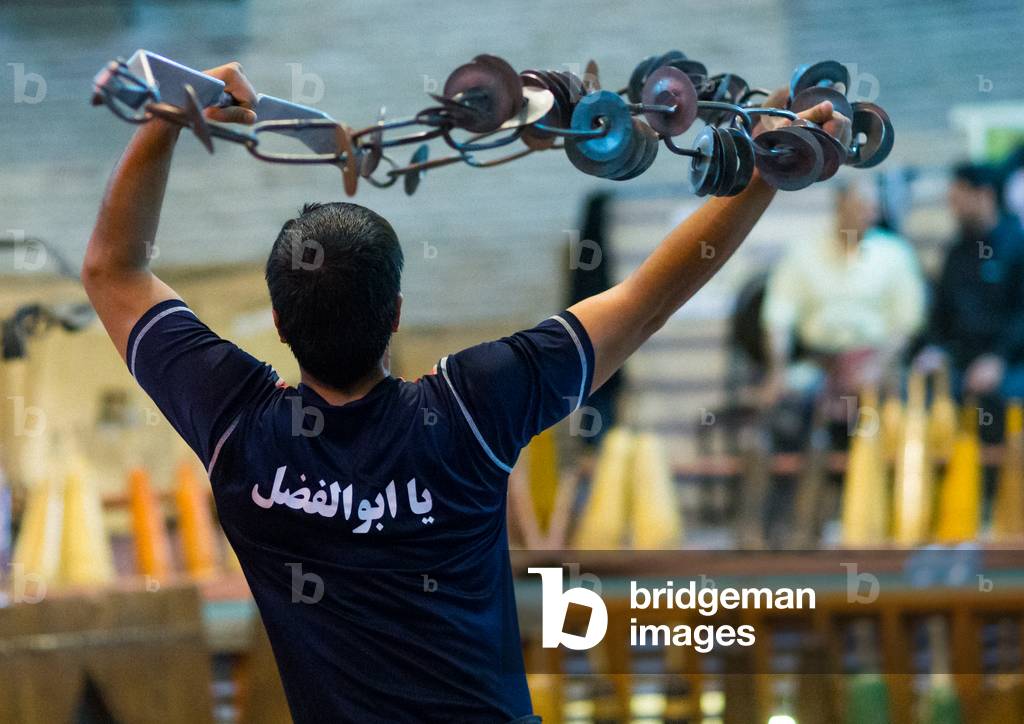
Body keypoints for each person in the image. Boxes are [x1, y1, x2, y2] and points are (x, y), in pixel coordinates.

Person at [82, 62, 850, 723]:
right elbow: (648, 300)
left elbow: (112, 270)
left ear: (279, 323)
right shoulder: (471, 410)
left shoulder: (237, 428)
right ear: (397, 315)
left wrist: (168, 116)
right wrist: (764, 172)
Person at [759, 179, 926, 412]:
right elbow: (778, 318)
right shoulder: (802, 253)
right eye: (861, 206)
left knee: (898, 396)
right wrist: (778, 370)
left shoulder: (895, 254)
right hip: (818, 366)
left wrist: (877, 365)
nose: (870, 215)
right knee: (787, 400)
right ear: (840, 204)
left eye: (873, 208)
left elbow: (906, 323)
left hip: (879, 363)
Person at [915, 163, 1024, 421]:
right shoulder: (957, 252)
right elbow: (941, 312)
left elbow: (1020, 317)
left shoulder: (1017, 246)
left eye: (958, 199)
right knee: (921, 388)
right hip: (962, 359)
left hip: (1010, 358)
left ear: (984, 195)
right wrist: (934, 348)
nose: (953, 207)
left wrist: (997, 359)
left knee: (1003, 393)